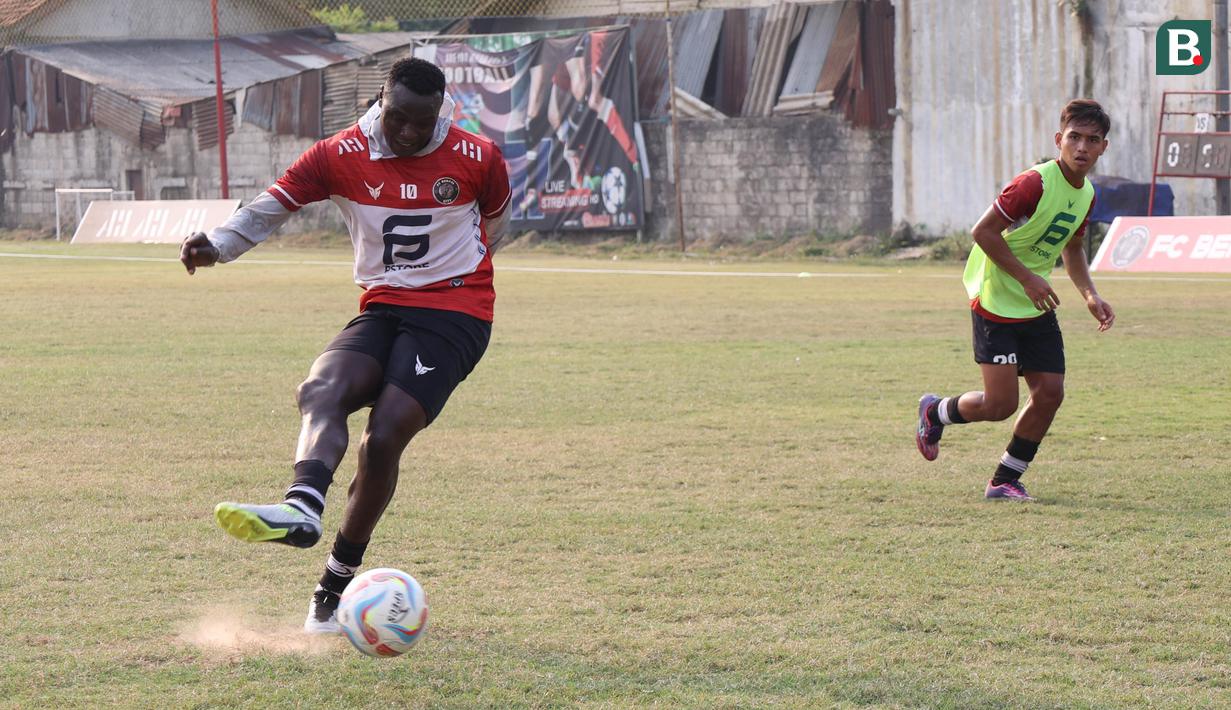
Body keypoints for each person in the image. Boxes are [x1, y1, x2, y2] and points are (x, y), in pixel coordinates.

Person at [180, 57, 511, 632]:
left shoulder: (477, 157)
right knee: (321, 387)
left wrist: (455, 273)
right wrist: (219, 244)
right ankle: (302, 506)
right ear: (380, 102)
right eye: (398, 118)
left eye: (423, 122)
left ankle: (329, 593)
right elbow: (273, 205)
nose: (409, 132)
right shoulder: (339, 154)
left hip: (456, 313)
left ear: (442, 112)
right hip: (382, 306)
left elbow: (495, 224)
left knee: (383, 438)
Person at [915, 99, 1115, 501]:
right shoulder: (1034, 183)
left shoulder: (1087, 193)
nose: (1081, 147)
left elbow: (1072, 249)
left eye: (1092, 140)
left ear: (1102, 148)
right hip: (997, 299)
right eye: (1074, 137)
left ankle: (1004, 479)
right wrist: (1027, 279)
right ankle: (935, 411)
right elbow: (982, 232)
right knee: (999, 404)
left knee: (1050, 394)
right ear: (1059, 140)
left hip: (1035, 301)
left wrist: (1090, 294)